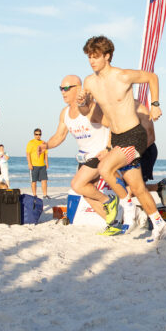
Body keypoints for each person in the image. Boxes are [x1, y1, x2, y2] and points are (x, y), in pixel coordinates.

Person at [82, 35, 166, 244]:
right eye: (89, 57)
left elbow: (152, 77)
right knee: (139, 187)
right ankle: (160, 224)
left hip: (135, 135)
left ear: (107, 56)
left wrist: (156, 104)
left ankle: (127, 207)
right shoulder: (89, 82)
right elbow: (86, 110)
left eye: (95, 56)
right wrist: (81, 102)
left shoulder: (122, 76)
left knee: (105, 168)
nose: (91, 61)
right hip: (117, 137)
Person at [39, 74, 112, 221]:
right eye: (60, 88)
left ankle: (109, 201)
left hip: (99, 155)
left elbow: (112, 125)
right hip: (84, 158)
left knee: (77, 184)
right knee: (87, 193)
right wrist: (46, 145)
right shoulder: (64, 113)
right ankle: (113, 221)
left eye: (66, 88)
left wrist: (109, 149)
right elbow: (59, 136)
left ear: (78, 88)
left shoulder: (91, 107)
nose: (63, 92)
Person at [26, 128, 49, 199]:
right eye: (36, 134)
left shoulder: (43, 143)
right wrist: (29, 164)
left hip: (42, 165)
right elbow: (28, 154)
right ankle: (34, 195)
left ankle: (45, 195)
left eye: (39, 134)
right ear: (34, 135)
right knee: (34, 181)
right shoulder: (31, 142)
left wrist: (47, 163)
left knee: (44, 180)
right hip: (34, 165)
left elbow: (46, 154)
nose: (38, 136)